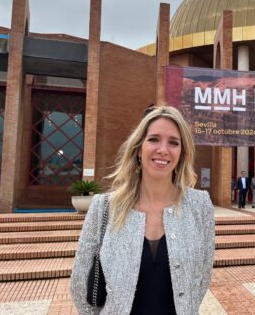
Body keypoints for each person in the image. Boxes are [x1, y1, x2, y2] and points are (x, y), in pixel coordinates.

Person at [70, 106, 215, 314]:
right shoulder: (105, 208)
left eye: (173, 142)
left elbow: (201, 280)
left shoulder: (200, 206)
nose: (163, 149)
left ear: (182, 153)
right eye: (154, 139)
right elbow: (80, 286)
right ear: (138, 148)